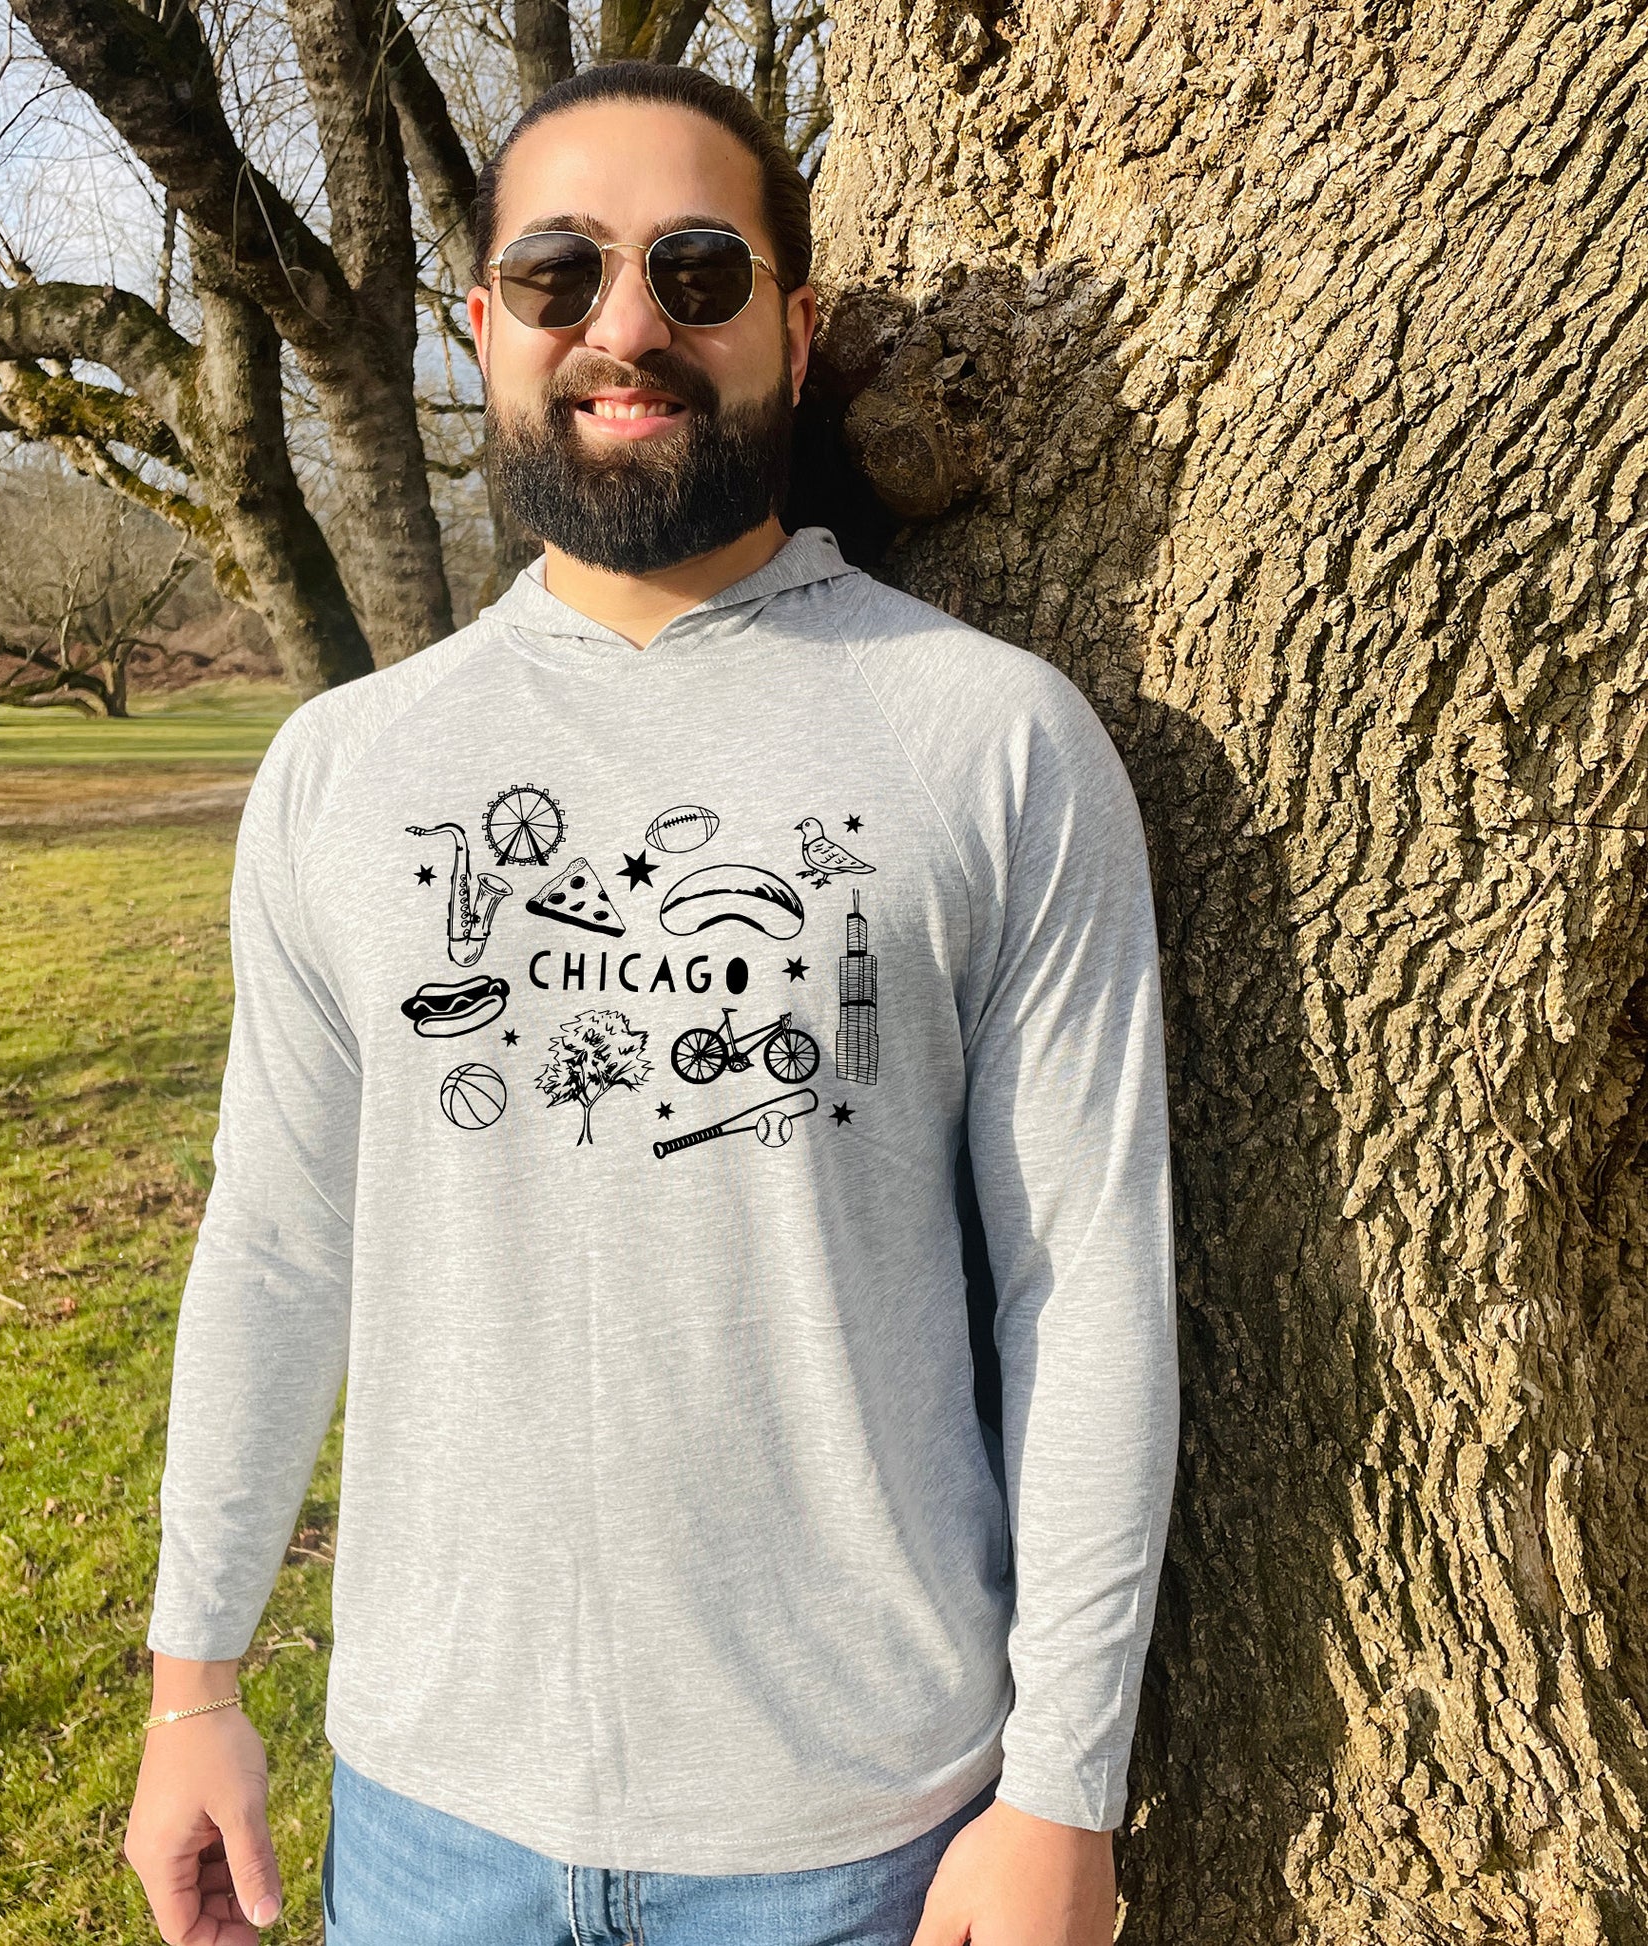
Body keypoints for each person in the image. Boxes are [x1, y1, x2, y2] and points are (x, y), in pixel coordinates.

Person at [123, 59, 1179, 1946]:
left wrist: (1061, 1789)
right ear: (483, 329)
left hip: (866, 1827)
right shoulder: (342, 769)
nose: (626, 326)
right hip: (426, 1814)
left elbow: (1084, 1277)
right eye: (558, 275)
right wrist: (193, 1683)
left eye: (696, 270)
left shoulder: (994, 741)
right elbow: (276, 1248)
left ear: (794, 320)